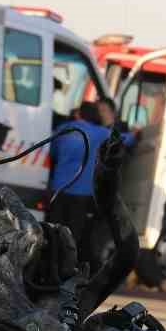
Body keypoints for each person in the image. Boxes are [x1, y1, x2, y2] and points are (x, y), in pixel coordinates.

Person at [47, 102, 134, 258]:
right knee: (73, 235)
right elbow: (126, 140)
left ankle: (47, 262)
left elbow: (52, 153)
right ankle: (65, 267)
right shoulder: (99, 133)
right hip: (82, 194)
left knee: (52, 230)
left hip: (58, 189)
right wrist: (136, 133)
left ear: (79, 114)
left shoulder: (63, 129)